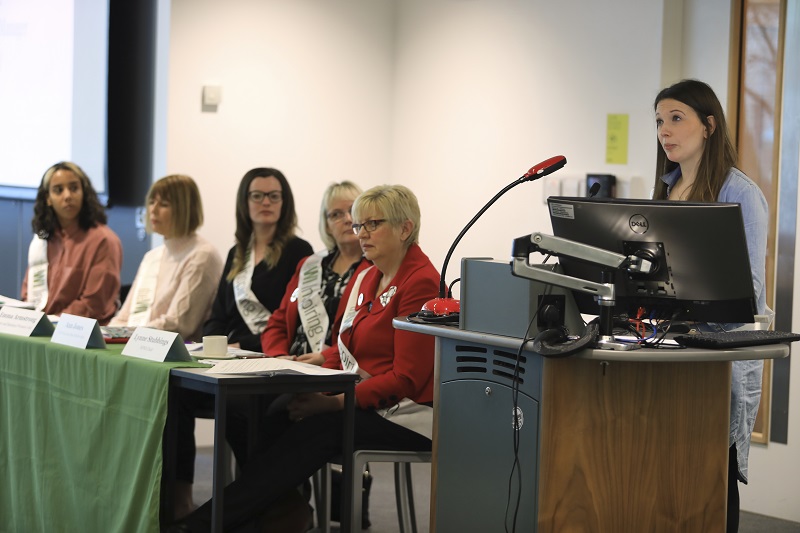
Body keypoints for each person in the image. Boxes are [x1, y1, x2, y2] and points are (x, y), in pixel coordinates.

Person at [174, 184, 440, 532]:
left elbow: (405, 379)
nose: (362, 233)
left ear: (405, 228)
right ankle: (280, 514)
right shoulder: (368, 275)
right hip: (363, 394)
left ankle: (206, 524)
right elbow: (348, 346)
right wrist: (317, 362)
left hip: (406, 414)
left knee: (317, 428)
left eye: (373, 224)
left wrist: (334, 403)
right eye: (359, 225)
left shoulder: (420, 282)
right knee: (269, 410)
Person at [653, 79, 769, 533]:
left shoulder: (741, 194)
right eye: (660, 121)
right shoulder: (666, 190)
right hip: (670, 350)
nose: (665, 130)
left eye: (677, 118)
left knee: (713, 478)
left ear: (709, 125)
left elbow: (750, 293)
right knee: (669, 473)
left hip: (719, 355)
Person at [203, 167, 313, 351]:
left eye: (274, 196)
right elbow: (218, 316)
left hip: (270, 352)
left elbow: (296, 321)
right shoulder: (236, 254)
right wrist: (212, 347)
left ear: (284, 202)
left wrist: (242, 346)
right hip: (228, 353)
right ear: (244, 202)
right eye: (257, 196)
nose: (266, 202)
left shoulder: (299, 251)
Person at [109, 174, 223, 341]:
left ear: (185, 210)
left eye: (164, 204)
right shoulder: (152, 257)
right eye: (151, 202)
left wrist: (127, 334)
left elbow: (178, 324)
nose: (153, 210)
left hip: (172, 353)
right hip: (138, 342)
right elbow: (125, 316)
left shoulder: (202, 255)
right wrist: (107, 333)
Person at [21, 161, 122, 324]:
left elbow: (93, 305)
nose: (67, 196)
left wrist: (50, 323)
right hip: (44, 328)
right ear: (48, 198)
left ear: (84, 193)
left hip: (81, 335)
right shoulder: (43, 240)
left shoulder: (104, 240)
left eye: (74, 188)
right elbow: (29, 296)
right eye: (58, 190)